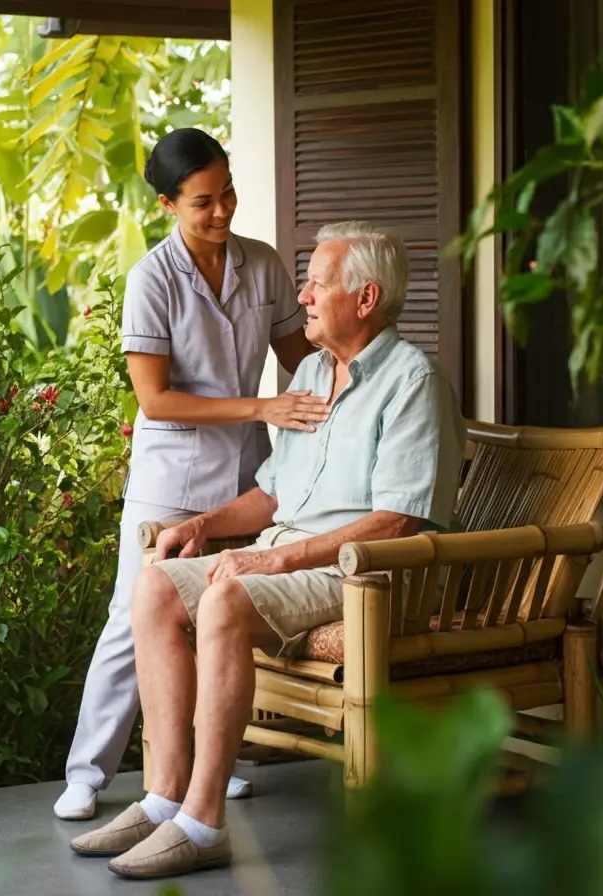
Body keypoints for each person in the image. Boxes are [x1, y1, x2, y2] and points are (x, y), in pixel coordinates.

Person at [68, 221, 466, 879]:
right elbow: (274, 497)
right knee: (156, 586)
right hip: (298, 554)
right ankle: (164, 796)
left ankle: (203, 823)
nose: (302, 298)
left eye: (316, 285)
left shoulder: (412, 381)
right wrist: (206, 523)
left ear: (365, 299)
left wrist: (276, 558)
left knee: (227, 596)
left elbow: (398, 522)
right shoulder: (312, 371)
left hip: (363, 572)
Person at [54, 128, 328, 822]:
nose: (222, 211)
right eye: (203, 201)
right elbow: (155, 399)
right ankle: (87, 771)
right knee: (133, 614)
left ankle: (220, 760)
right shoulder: (151, 279)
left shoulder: (262, 266)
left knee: (222, 612)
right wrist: (262, 403)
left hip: (246, 471)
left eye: (228, 192)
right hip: (169, 473)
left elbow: (304, 358)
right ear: (166, 204)